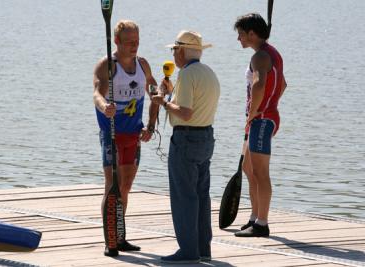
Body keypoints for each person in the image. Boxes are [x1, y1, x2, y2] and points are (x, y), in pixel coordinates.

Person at [152, 30, 220, 264]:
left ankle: (188, 251)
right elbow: (194, 106)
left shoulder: (187, 74)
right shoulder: (208, 73)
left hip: (186, 139)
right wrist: (172, 95)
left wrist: (163, 102)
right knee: (201, 195)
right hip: (206, 138)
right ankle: (203, 248)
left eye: (174, 50)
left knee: (184, 196)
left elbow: (186, 113)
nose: (173, 54)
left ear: (181, 51)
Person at [93, 20, 159, 255]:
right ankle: (109, 240)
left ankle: (120, 236)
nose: (135, 46)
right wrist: (105, 106)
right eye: (130, 42)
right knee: (112, 186)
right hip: (111, 134)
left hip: (133, 135)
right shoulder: (107, 66)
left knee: (126, 187)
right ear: (117, 41)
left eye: (137, 41)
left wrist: (151, 124)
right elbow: (97, 93)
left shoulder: (143, 65)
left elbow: (155, 93)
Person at [233, 13, 287, 237]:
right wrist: (269, 107)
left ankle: (262, 224)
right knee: (248, 167)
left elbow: (258, 86)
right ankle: (254, 217)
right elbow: (282, 84)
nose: (239, 39)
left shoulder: (260, 57)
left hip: (261, 119)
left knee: (260, 172)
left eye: (241, 35)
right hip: (263, 118)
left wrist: (255, 112)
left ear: (252, 34)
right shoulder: (270, 53)